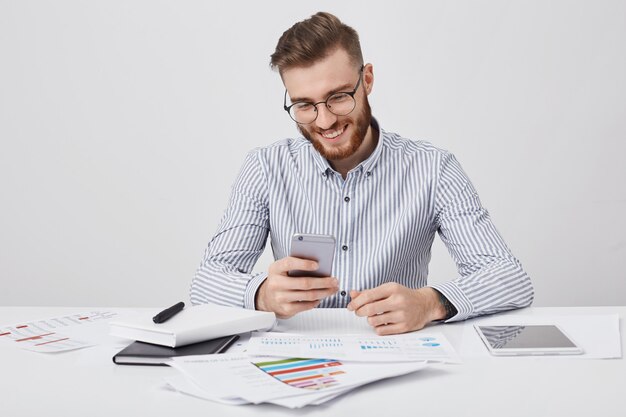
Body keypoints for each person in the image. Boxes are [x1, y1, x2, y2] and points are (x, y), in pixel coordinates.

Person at [190, 12, 534, 335]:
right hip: (299, 357)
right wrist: (261, 294)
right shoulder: (265, 167)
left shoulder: (433, 168)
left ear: (366, 80)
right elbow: (206, 282)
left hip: (396, 356)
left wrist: (430, 303)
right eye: (304, 106)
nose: (324, 121)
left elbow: (509, 278)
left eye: (338, 97)